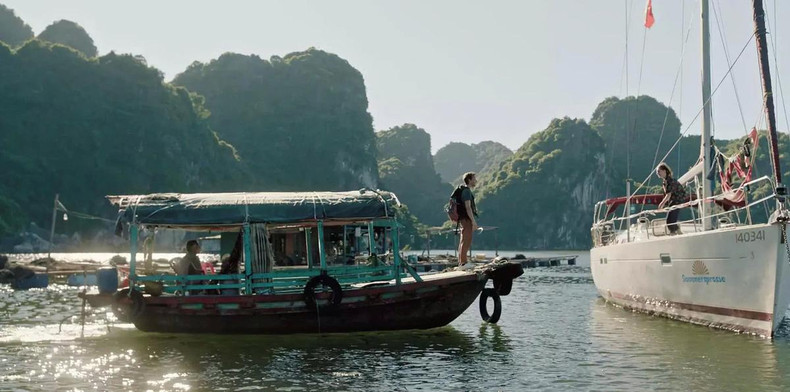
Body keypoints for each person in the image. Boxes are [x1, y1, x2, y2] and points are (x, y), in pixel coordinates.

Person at [656, 162, 686, 235]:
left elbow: (668, 195)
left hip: (677, 200)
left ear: (664, 171)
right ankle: (677, 230)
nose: (658, 173)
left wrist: (661, 204)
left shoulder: (670, 181)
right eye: (657, 172)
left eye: (659, 171)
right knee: (670, 220)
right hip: (674, 201)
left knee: (670, 220)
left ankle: (674, 233)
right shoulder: (665, 181)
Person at [456, 172, 479, 268]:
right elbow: (468, 207)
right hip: (466, 219)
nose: (476, 181)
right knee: (466, 240)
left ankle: (461, 262)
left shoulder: (464, 190)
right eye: (474, 179)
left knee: (463, 240)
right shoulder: (466, 191)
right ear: (469, 180)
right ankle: (464, 263)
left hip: (463, 219)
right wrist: (473, 221)